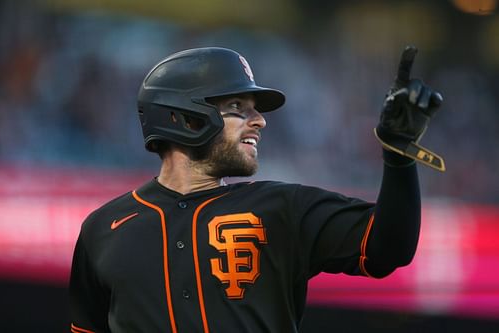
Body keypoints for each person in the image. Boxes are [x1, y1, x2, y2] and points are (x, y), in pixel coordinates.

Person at [69, 46, 443, 333]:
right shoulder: (104, 229)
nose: (259, 121)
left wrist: (397, 155)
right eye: (237, 107)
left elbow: (389, 248)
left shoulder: (282, 207)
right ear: (181, 117)